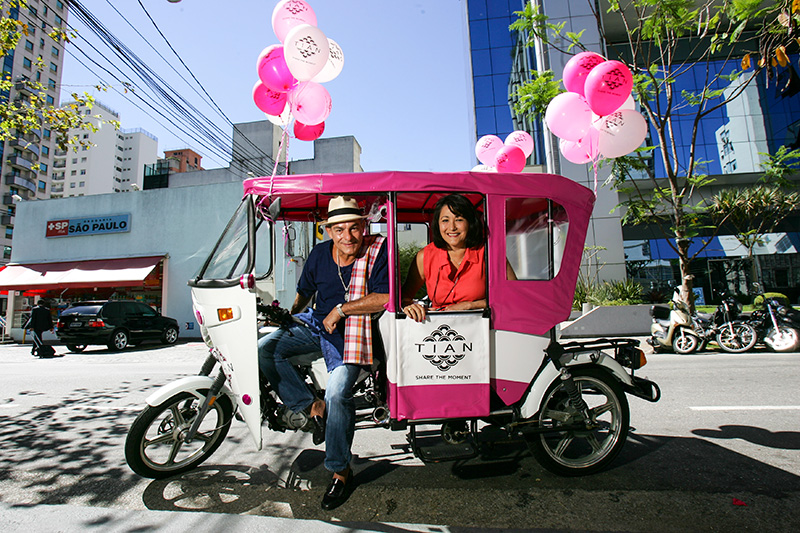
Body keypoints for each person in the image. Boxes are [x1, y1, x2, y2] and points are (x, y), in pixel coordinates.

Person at [258, 195, 389, 511]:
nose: (348, 237)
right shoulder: (319, 254)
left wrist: (341, 310)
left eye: (354, 228)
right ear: (329, 231)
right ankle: (309, 405)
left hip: (352, 334)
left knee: (337, 394)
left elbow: (384, 296)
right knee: (265, 349)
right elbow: (304, 293)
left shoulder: (376, 250)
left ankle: (340, 471)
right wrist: (287, 317)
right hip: (317, 326)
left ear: (363, 227)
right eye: (339, 229)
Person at [401, 193, 514, 322]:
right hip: (437, 328)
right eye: (445, 220)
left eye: (459, 219)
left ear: (470, 222)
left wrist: (471, 305)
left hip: (482, 326)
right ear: (437, 224)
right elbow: (404, 297)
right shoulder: (424, 256)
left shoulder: (489, 253)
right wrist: (410, 306)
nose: (452, 227)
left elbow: (513, 295)